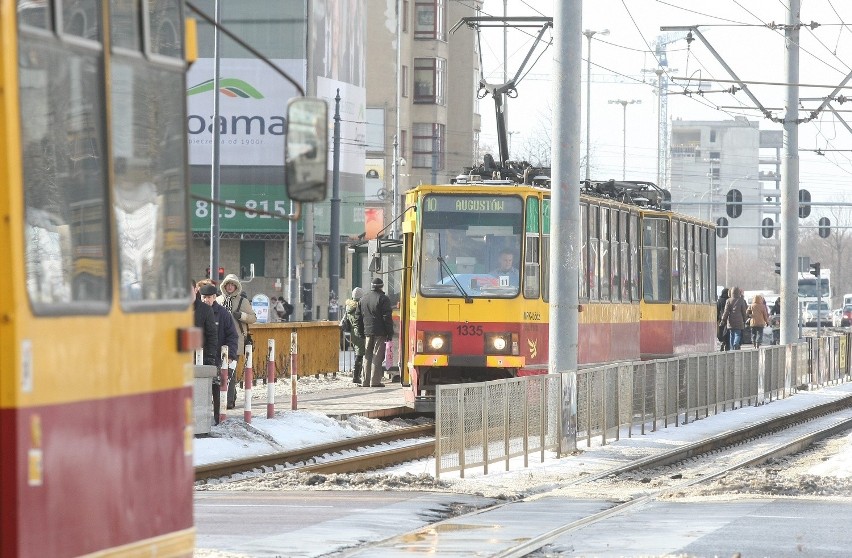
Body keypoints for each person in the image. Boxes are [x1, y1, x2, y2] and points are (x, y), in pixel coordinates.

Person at [198, 281, 238, 424]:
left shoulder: (223, 314)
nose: (206, 300)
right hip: (199, 358)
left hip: (216, 358)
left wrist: (230, 355)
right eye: (204, 297)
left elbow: (232, 335)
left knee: (216, 389)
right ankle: (201, 419)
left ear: (215, 297)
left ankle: (217, 419)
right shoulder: (196, 312)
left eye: (209, 297)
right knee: (200, 390)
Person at [217, 274, 257, 409]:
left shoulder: (242, 301)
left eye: (232, 284)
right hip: (220, 341)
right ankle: (227, 396)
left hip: (237, 341)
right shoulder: (218, 300)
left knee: (230, 372)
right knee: (221, 371)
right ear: (224, 286)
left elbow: (253, 318)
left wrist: (242, 316)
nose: (229, 286)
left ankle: (228, 401)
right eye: (227, 284)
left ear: (236, 286)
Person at [355, 277, 394, 387]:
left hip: (367, 332)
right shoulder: (383, 299)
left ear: (371, 286)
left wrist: (360, 332)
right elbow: (387, 317)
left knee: (367, 356)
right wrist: (389, 332)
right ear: (381, 286)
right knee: (377, 356)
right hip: (380, 332)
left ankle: (365, 381)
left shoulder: (363, 299)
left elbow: (358, 317)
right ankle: (375, 381)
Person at [344, 287, 366, 384]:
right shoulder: (359, 307)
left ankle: (356, 374)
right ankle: (356, 376)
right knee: (360, 355)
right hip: (360, 332)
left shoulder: (349, 307)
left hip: (353, 334)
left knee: (358, 353)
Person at [720, 286, 748, 350]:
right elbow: (744, 311)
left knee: (732, 334)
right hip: (739, 320)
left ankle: (732, 347)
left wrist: (723, 320)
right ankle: (736, 343)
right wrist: (745, 319)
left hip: (730, 320)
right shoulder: (741, 300)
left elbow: (726, 312)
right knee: (737, 334)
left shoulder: (728, 300)